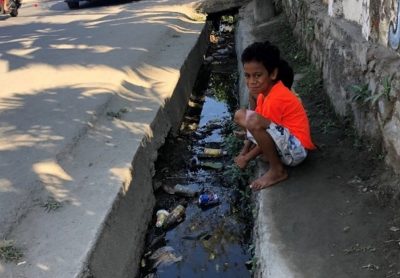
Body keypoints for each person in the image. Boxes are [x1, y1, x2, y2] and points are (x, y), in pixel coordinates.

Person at [234, 41, 315, 190]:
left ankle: (277, 170)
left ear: (273, 74)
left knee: (252, 120)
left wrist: (246, 158)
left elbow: (264, 131)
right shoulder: (264, 94)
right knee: (240, 115)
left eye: (257, 75)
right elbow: (260, 127)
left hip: (296, 150)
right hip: (284, 140)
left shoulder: (276, 98)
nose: (252, 81)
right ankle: (270, 156)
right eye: (247, 76)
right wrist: (243, 151)